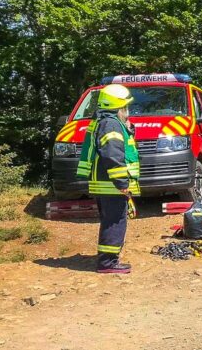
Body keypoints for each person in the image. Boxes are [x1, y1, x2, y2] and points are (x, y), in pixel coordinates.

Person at [76, 84, 139, 274]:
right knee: (115, 221)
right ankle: (108, 263)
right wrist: (122, 184)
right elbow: (112, 154)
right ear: (118, 107)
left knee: (112, 220)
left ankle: (108, 259)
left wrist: (129, 128)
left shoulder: (105, 121)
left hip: (106, 184)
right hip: (111, 185)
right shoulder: (111, 124)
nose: (128, 111)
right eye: (126, 107)